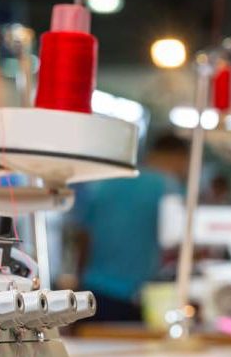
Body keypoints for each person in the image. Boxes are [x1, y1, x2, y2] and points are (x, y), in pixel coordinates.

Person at [69, 133, 190, 322]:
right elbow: (177, 240)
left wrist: (78, 285)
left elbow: (83, 237)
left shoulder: (104, 182)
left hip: (92, 291)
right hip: (135, 295)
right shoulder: (168, 187)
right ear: (178, 158)